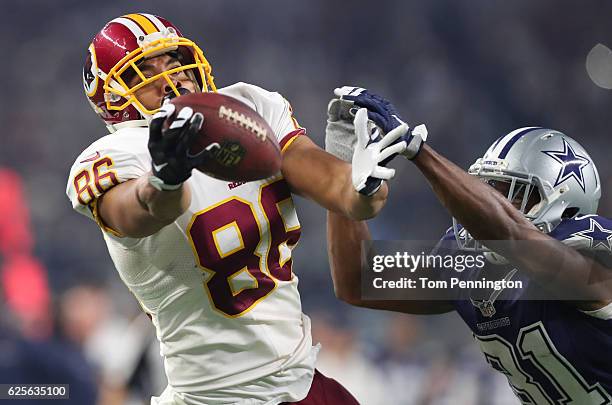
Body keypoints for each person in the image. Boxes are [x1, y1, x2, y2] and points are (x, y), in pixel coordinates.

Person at [67, 14, 404, 405]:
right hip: (212, 396)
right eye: (144, 71)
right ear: (113, 97)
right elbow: (141, 210)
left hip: (300, 383)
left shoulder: (247, 109)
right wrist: (164, 178)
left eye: (173, 64)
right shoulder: (113, 156)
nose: (169, 80)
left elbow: (335, 186)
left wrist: (363, 184)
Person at [325, 87, 612, 404]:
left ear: (566, 206)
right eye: (490, 189)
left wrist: (417, 151)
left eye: (512, 193)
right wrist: (342, 175)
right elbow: (359, 279)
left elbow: (513, 234)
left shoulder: (593, 261)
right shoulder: (474, 266)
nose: (492, 202)